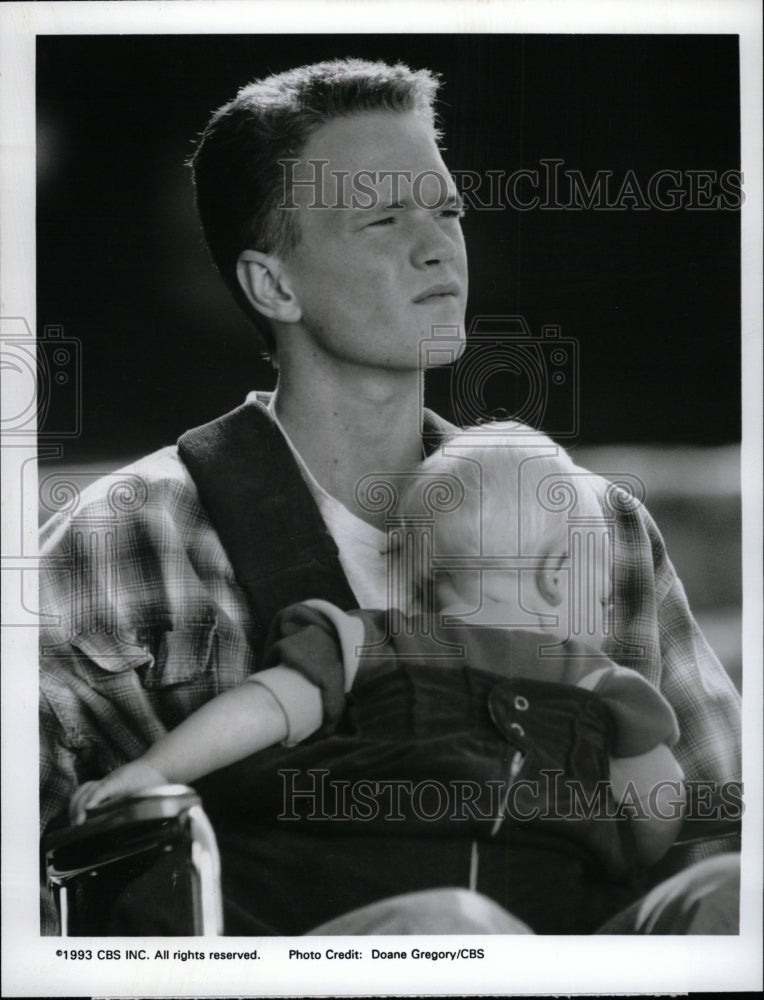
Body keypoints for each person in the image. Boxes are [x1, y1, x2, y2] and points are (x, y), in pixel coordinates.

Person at [40, 58, 741, 935]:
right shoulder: (116, 541)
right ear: (273, 285)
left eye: (446, 209)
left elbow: (716, 824)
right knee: (455, 928)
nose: (438, 244)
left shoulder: (593, 521)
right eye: (382, 217)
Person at [69, 422, 686, 878]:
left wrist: (154, 771)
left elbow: (260, 708)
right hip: (536, 899)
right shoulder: (601, 687)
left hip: (363, 891)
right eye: (603, 600)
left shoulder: (367, 641)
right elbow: (656, 812)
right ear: (557, 572)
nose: (605, 620)